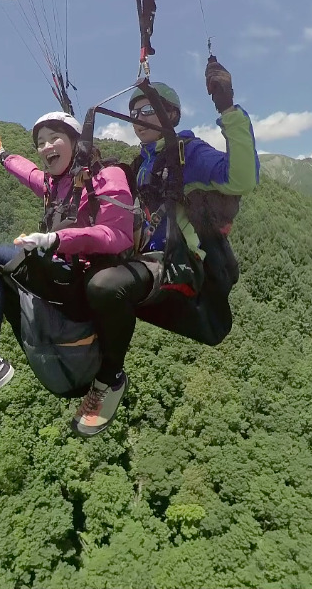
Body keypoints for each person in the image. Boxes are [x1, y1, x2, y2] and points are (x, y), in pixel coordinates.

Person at [71, 56, 260, 437]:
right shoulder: (142, 163)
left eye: (146, 109)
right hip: (142, 255)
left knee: (106, 287)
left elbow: (242, 178)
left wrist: (227, 110)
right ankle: (81, 350)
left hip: (175, 262)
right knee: (70, 268)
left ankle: (110, 381)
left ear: (169, 115)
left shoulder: (187, 153)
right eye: (133, 111)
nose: (138, 117)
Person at [0, 111, 136, 412]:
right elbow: (30, 174)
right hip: (59, 267)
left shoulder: (105, 176)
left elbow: (118, 234)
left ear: (76, 142)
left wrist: (57, 239)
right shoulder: (56, 183)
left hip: (82, 279)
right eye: (41, 143)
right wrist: (3, 156)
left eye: (55, 138)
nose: (47, 147)